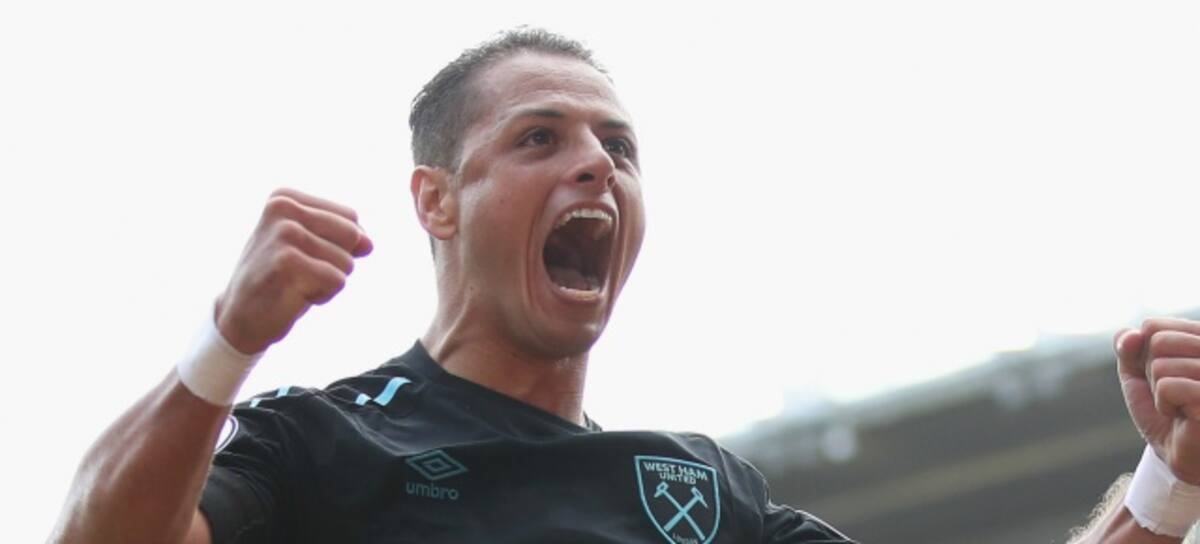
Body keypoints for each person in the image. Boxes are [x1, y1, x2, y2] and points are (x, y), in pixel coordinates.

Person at [48, 28, 1200, 544]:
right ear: (436, 201)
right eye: (539, 138)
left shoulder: (706, 493)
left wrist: (1167, 485)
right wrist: (226, 341)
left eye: (619, 147)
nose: (597, 164)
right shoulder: (322, 442)